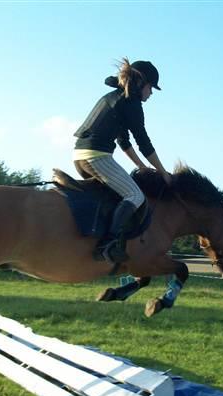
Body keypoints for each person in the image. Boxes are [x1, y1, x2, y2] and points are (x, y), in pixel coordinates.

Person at [73, 58, 172, 263]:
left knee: (119, 195)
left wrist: (142, 166)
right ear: (141, 83)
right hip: (96, 157)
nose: (151, 93)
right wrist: (163, 171)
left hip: (80, 156)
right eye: (151, 87)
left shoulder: (117, 97)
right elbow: (143, 142)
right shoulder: (131, 103)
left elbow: (123, 140)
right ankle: (106, 245)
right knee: (135, 196)